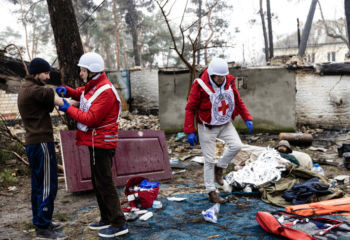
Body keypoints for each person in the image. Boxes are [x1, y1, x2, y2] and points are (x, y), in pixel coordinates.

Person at [56, 52, 128, 238]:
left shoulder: (105, 91)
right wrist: (69, 91)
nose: (80, 73)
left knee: (105, 182)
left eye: (82, 70)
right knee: (98, 182)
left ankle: (118, 223)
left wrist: (68, 107)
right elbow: (83, 93)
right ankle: (106, 218)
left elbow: (91, 119)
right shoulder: (95, 85)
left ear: (91, 70)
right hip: (97, 141)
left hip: (102, 142)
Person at [184, 58, 253, 204]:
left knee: (237, 146)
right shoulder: (200, 85)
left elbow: (237, 100)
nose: (221, 79)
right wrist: (190, 130)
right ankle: (211, 191)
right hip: (207, 126)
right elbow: (190, 108)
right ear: (211, 74)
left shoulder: (229, 81)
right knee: (209, 160)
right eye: (218, 77)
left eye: (223, 76)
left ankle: (220, 168)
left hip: (225, 123)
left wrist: (247, 117)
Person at [17, 58, 68, 239]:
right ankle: (44, 228)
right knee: (48, 184)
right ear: (37, 73)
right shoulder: (36, 90)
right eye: (46, 73)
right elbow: (62, 103)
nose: (48, 76)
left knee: (38, 185)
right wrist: (84, 103)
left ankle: (40, 220)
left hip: (33, 143)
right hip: (41, 143)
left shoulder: (25, 87)